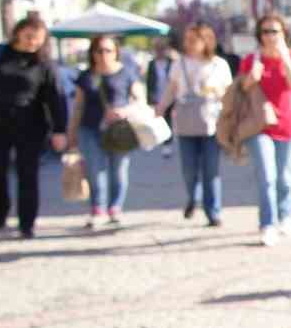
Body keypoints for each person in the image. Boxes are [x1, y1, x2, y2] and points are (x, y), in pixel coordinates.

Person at [0, 13, 68, 239]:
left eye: (38, 39)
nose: (33, 42)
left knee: (27, 174)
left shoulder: (45, 64)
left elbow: (55, 97)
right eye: (29, 36)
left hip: (31, 125)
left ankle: (26, 223)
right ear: (18, 32)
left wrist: (60, 129)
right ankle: (0, 212)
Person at [239, 14, 291, 246]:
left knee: (285, 177)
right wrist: (251, 77)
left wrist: (285, 56)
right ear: (259, 35)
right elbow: (241, 90)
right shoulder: (251, 59)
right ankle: (268, 223)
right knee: (267, 176)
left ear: (283, 34)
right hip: (259, 126)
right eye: (265, 31)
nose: (270, 36)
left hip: (289, 125)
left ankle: (287, 215)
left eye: (274, 31)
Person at [156, 23, 232, 227]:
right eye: (186, 40)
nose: (188, 44)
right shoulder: (179, 64)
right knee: (189, 169)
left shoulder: (219, 65)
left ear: (205, 41)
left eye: (193, 39)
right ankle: (193, 196)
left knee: (211, 169)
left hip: (211, 123)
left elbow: (228, 93)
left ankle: (213, 211)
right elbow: (171, 88)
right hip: (186, 122)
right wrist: (161, 107)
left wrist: (224, 104)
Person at [67, 34, 145, 229]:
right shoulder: (86, 76)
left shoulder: (126, 73)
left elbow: (140, 100)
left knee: (118, 170)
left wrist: (125, 111)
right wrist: (71, 133)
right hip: (90, 129)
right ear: (92, 53)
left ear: (116, 52)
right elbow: (78, 106)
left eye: (108, 50)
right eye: (98, 50)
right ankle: (98, 209)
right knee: (95, 171)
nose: (103, 55)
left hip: (120, 130)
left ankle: (115, 208)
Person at [146, 40, 178, 160]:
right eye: (158, 49)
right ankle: (160, 138)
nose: (160, 52)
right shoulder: (152, 64)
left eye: (162, 49)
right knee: (159, 119)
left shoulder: (172, 63)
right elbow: (149, 82)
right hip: (157, 96)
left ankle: (167, 143)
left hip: (170, 96)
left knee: (168, 119)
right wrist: (149, 98)